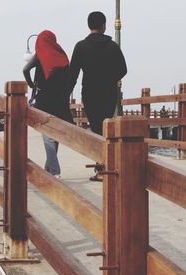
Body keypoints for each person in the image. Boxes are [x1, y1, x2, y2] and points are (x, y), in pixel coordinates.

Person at [69, 11, 127, 181]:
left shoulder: (81, 46)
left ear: (89, 25)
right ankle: (105, 168)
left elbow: (73, 74)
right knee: (107, 127)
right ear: (104, 25)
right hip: (109, 92)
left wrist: (65, 94)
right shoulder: (113, 46)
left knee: (95, 129)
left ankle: (101, 168)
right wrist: (110, 78)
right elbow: (123, 69)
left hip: (90, 92)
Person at [23, 30, 73, 179]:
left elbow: (25, 70)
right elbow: (69, 80)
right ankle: (49, 168)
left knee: (48, 135)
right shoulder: (62, 56)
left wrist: (32, 85)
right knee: (55, 133)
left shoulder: (39, 55)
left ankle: (55, 172)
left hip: (44, 99)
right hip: (61, 100)